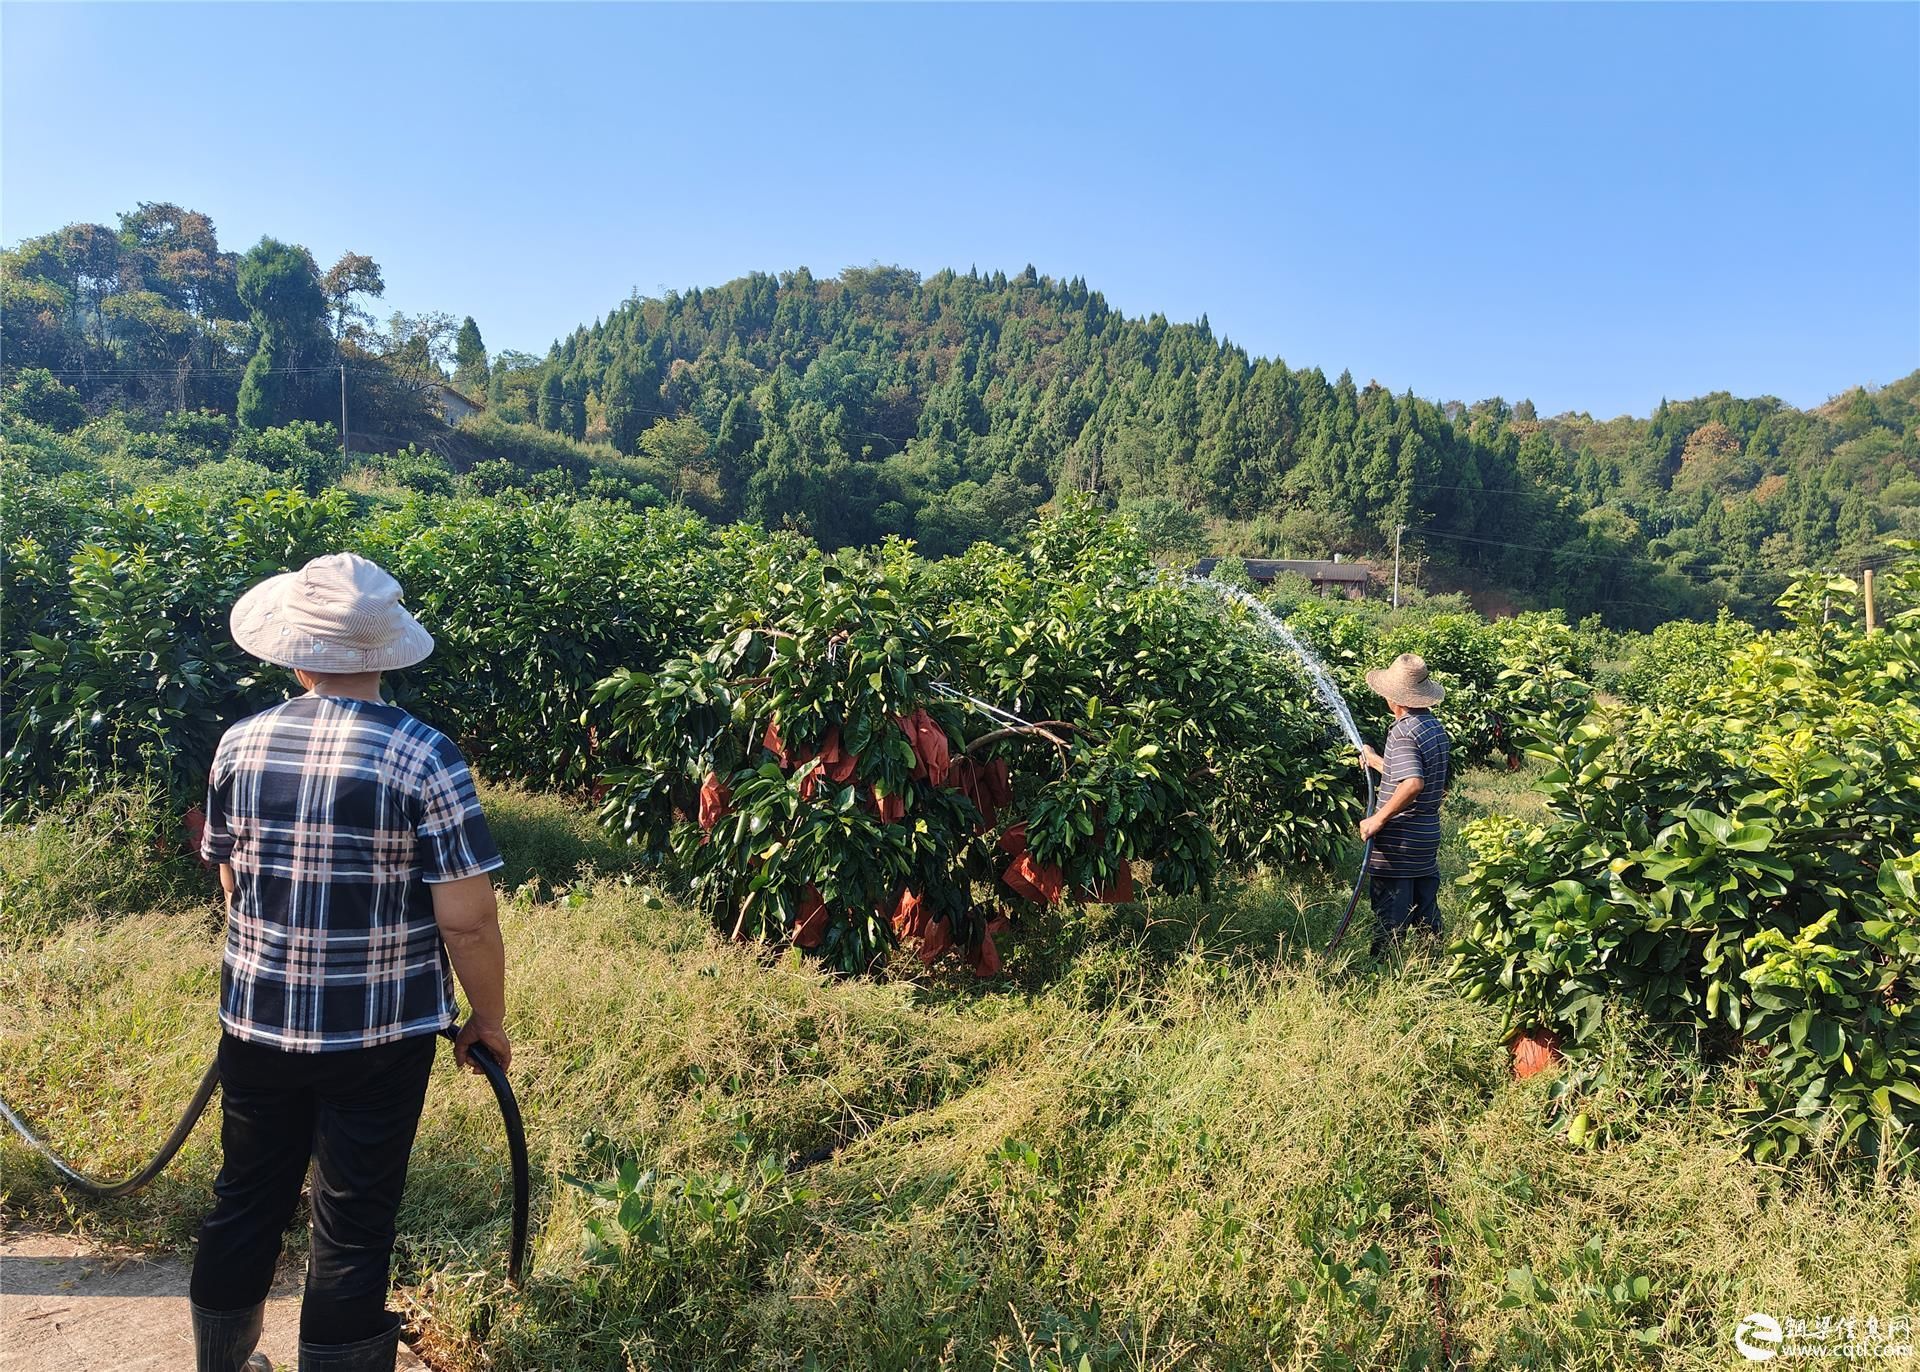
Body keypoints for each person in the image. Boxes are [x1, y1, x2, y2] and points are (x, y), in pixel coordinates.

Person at [190, 553, 509, 1372]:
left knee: (245, 1198)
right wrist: (489, 1023)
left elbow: (232, 875)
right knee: (355, 1217)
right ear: (384, 652)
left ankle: (222, 1365)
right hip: (380, 1038)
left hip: (256, 1026)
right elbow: (467, 922)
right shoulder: (424, 755)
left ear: (294, 652)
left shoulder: (241, 742)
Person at [1356, 652, 1452, 958]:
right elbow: (1411, 772)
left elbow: (1413, 784)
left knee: (1390, 915)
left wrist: (1378, 818)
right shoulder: (1431, 726)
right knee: (1425, 911)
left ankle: (1381, 972)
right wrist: (1375, 761)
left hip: (1401, 840)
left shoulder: (1403, 731)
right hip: (1424, 837)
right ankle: (1432, 964)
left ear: (1393, 698)